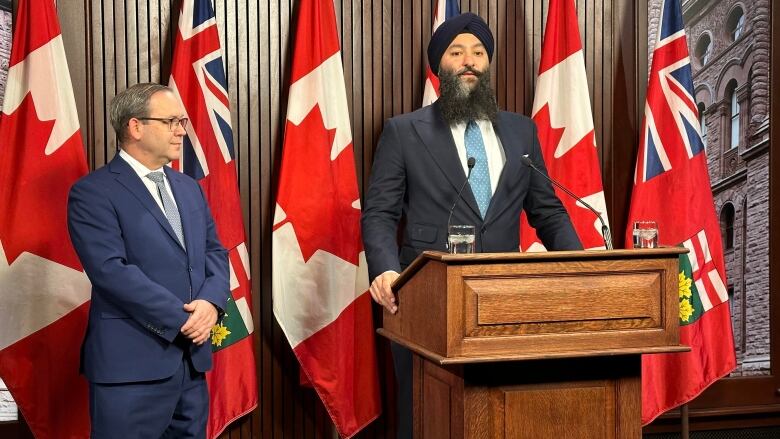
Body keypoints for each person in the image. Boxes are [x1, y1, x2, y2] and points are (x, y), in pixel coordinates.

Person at [360, 13, 583, 438]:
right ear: (439, 65)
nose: (469, 61)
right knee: (428, 419)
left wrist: (580, 270)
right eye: (457, 52)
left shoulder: (520, 131)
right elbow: (380, 213)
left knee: (500, 417)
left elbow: (547, 212)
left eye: (479, 53)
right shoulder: (404, 132)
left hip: (504, 301)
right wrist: (385, 270)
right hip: (426, 303)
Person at [67, 83, 229, 438]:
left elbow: (215, 252)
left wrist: (211, 304)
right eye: (171, 121)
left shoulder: (189, 188)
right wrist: (185, 320)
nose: (182, 130)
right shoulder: (92, 192)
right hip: (130, 370)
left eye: (182, 121)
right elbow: (110, 271)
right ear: (135, 127)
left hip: (192, 365)